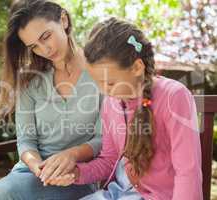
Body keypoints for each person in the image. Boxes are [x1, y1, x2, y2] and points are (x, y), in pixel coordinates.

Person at [49, 17, 203, 200]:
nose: (103, 90)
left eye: (110, 83)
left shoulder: (173, 97)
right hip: (120, 193)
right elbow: (109, 161)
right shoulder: (111, 103)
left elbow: (187, 171)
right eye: (98, 83)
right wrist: (75, 173)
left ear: (137, 67)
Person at [0, 0, 102, 199]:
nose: (45, 49)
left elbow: (103, 139)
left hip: (78, 174)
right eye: (34, 46)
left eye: (46, 36)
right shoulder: (30, 79)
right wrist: (39, 169)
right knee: (3, 193)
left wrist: (71, 155)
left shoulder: (101, 72)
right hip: (32, 172)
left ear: (63, 20)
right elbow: (26, 140)